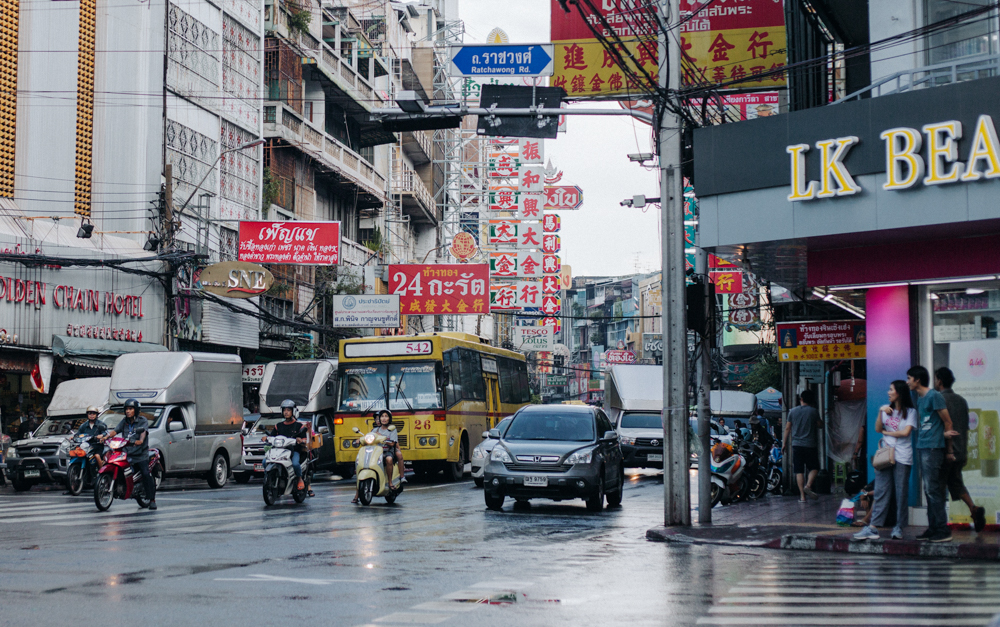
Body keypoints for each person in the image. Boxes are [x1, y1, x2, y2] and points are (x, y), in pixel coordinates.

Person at [855, 380, 917, 540]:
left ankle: (899, 527)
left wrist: (887, 433)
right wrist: (880, 411)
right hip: (885, 456)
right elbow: (877, 428)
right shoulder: (885, 410)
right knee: (881, 491)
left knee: (901, 493)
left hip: (902, 457)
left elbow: (905, 433)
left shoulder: (910, 412)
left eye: (891, 389)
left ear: (899, 393)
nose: (889, 392)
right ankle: (873, 527)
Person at [908, 365, 959, 543]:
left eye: (909, 378)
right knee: (929, 489)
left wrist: (949, 450)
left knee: (933, 489)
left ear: (918, 380)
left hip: (933, 449)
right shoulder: (920, 399)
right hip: (923, 447)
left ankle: (943, 529)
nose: (908, 382)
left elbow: (948, 422)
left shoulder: (934, 396)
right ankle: (933, 528)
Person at [936, 367, 987, 533]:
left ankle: (939, 524)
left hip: (946, 451)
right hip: (960, 451)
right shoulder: (961, 400)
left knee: (938, 487)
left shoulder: (939, 400)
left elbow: (942, 426)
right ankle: (974, 509)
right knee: (956, 482)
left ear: (939, 381)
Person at [102, 399, 156, 510]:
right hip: (127, 453)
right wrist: (106, 437)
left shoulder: (142, 421)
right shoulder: (124, 421)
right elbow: (115, 431)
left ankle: (152, 499)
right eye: (126, 409)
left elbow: (143, 433)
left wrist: (140, 441)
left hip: (140, 454)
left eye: (130, 409)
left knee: (146, 474)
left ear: (136, 410)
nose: (128, 411)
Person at [352, 410, 403, 504]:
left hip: (387, 450)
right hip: (376, 451)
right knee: (362, 464)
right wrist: (360, 440)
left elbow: (393, 443)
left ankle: (390, 482)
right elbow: (368, 438)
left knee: (389, 459)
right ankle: (357, 494)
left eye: (386, 416)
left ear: (389, 418)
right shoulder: (374, 430)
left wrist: (384, 439)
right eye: (381, 417)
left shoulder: (392, 429)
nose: (383, 419)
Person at [783, 389, 823, 502]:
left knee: (799, 470)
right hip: (810, 445)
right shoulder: (813, 411)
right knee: (814, 467)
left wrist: (784, 443)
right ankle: (808, 485)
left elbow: (787, 428)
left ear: (801, 399)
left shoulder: (792, 411)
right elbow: (820, 425)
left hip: (796, 445)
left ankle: (802, 496)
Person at [266, 400, 309, 494]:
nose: (286, 412)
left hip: (293, 451)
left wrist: (300, 441)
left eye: (288, 410)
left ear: (293, 411)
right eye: (284, 410)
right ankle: (269, 479)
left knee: (295, 464)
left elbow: (305, 440)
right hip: (279, 451)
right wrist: (266, 438)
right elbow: (272, 436)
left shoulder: (299, 426)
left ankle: (299, 478)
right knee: (265, 461)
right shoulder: (278, 426)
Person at [75, 406, 107, 471]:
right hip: (86, 446)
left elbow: (105, 432)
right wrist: (74, 436)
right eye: (90, 413)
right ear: (87, 415)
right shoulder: (83, 425)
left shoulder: (101, 424)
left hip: (97, 446)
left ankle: (102, 472)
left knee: (97, 456)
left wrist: (101, 435)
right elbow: (78, 433)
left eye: (93, 414)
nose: (92, 415)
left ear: (96, 415)